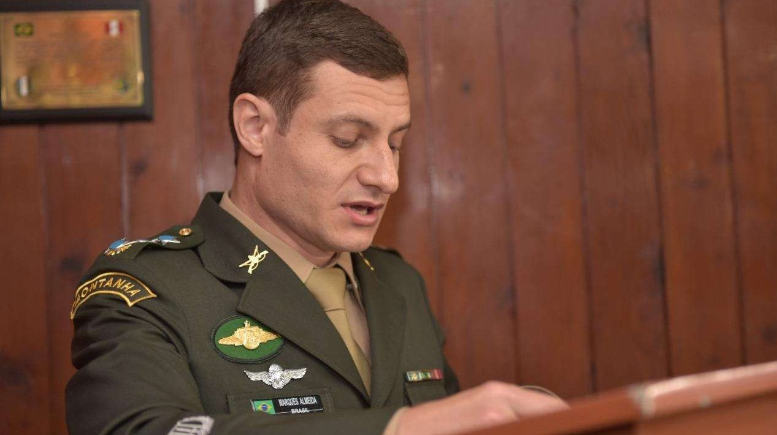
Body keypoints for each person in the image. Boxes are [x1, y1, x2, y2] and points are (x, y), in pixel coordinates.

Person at [66, 1, 566, 434]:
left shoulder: (398, 284)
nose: (387, 177)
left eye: (395, 143)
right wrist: (400, 428)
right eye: (348, 140)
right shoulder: (150, 290)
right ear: (255, 127)